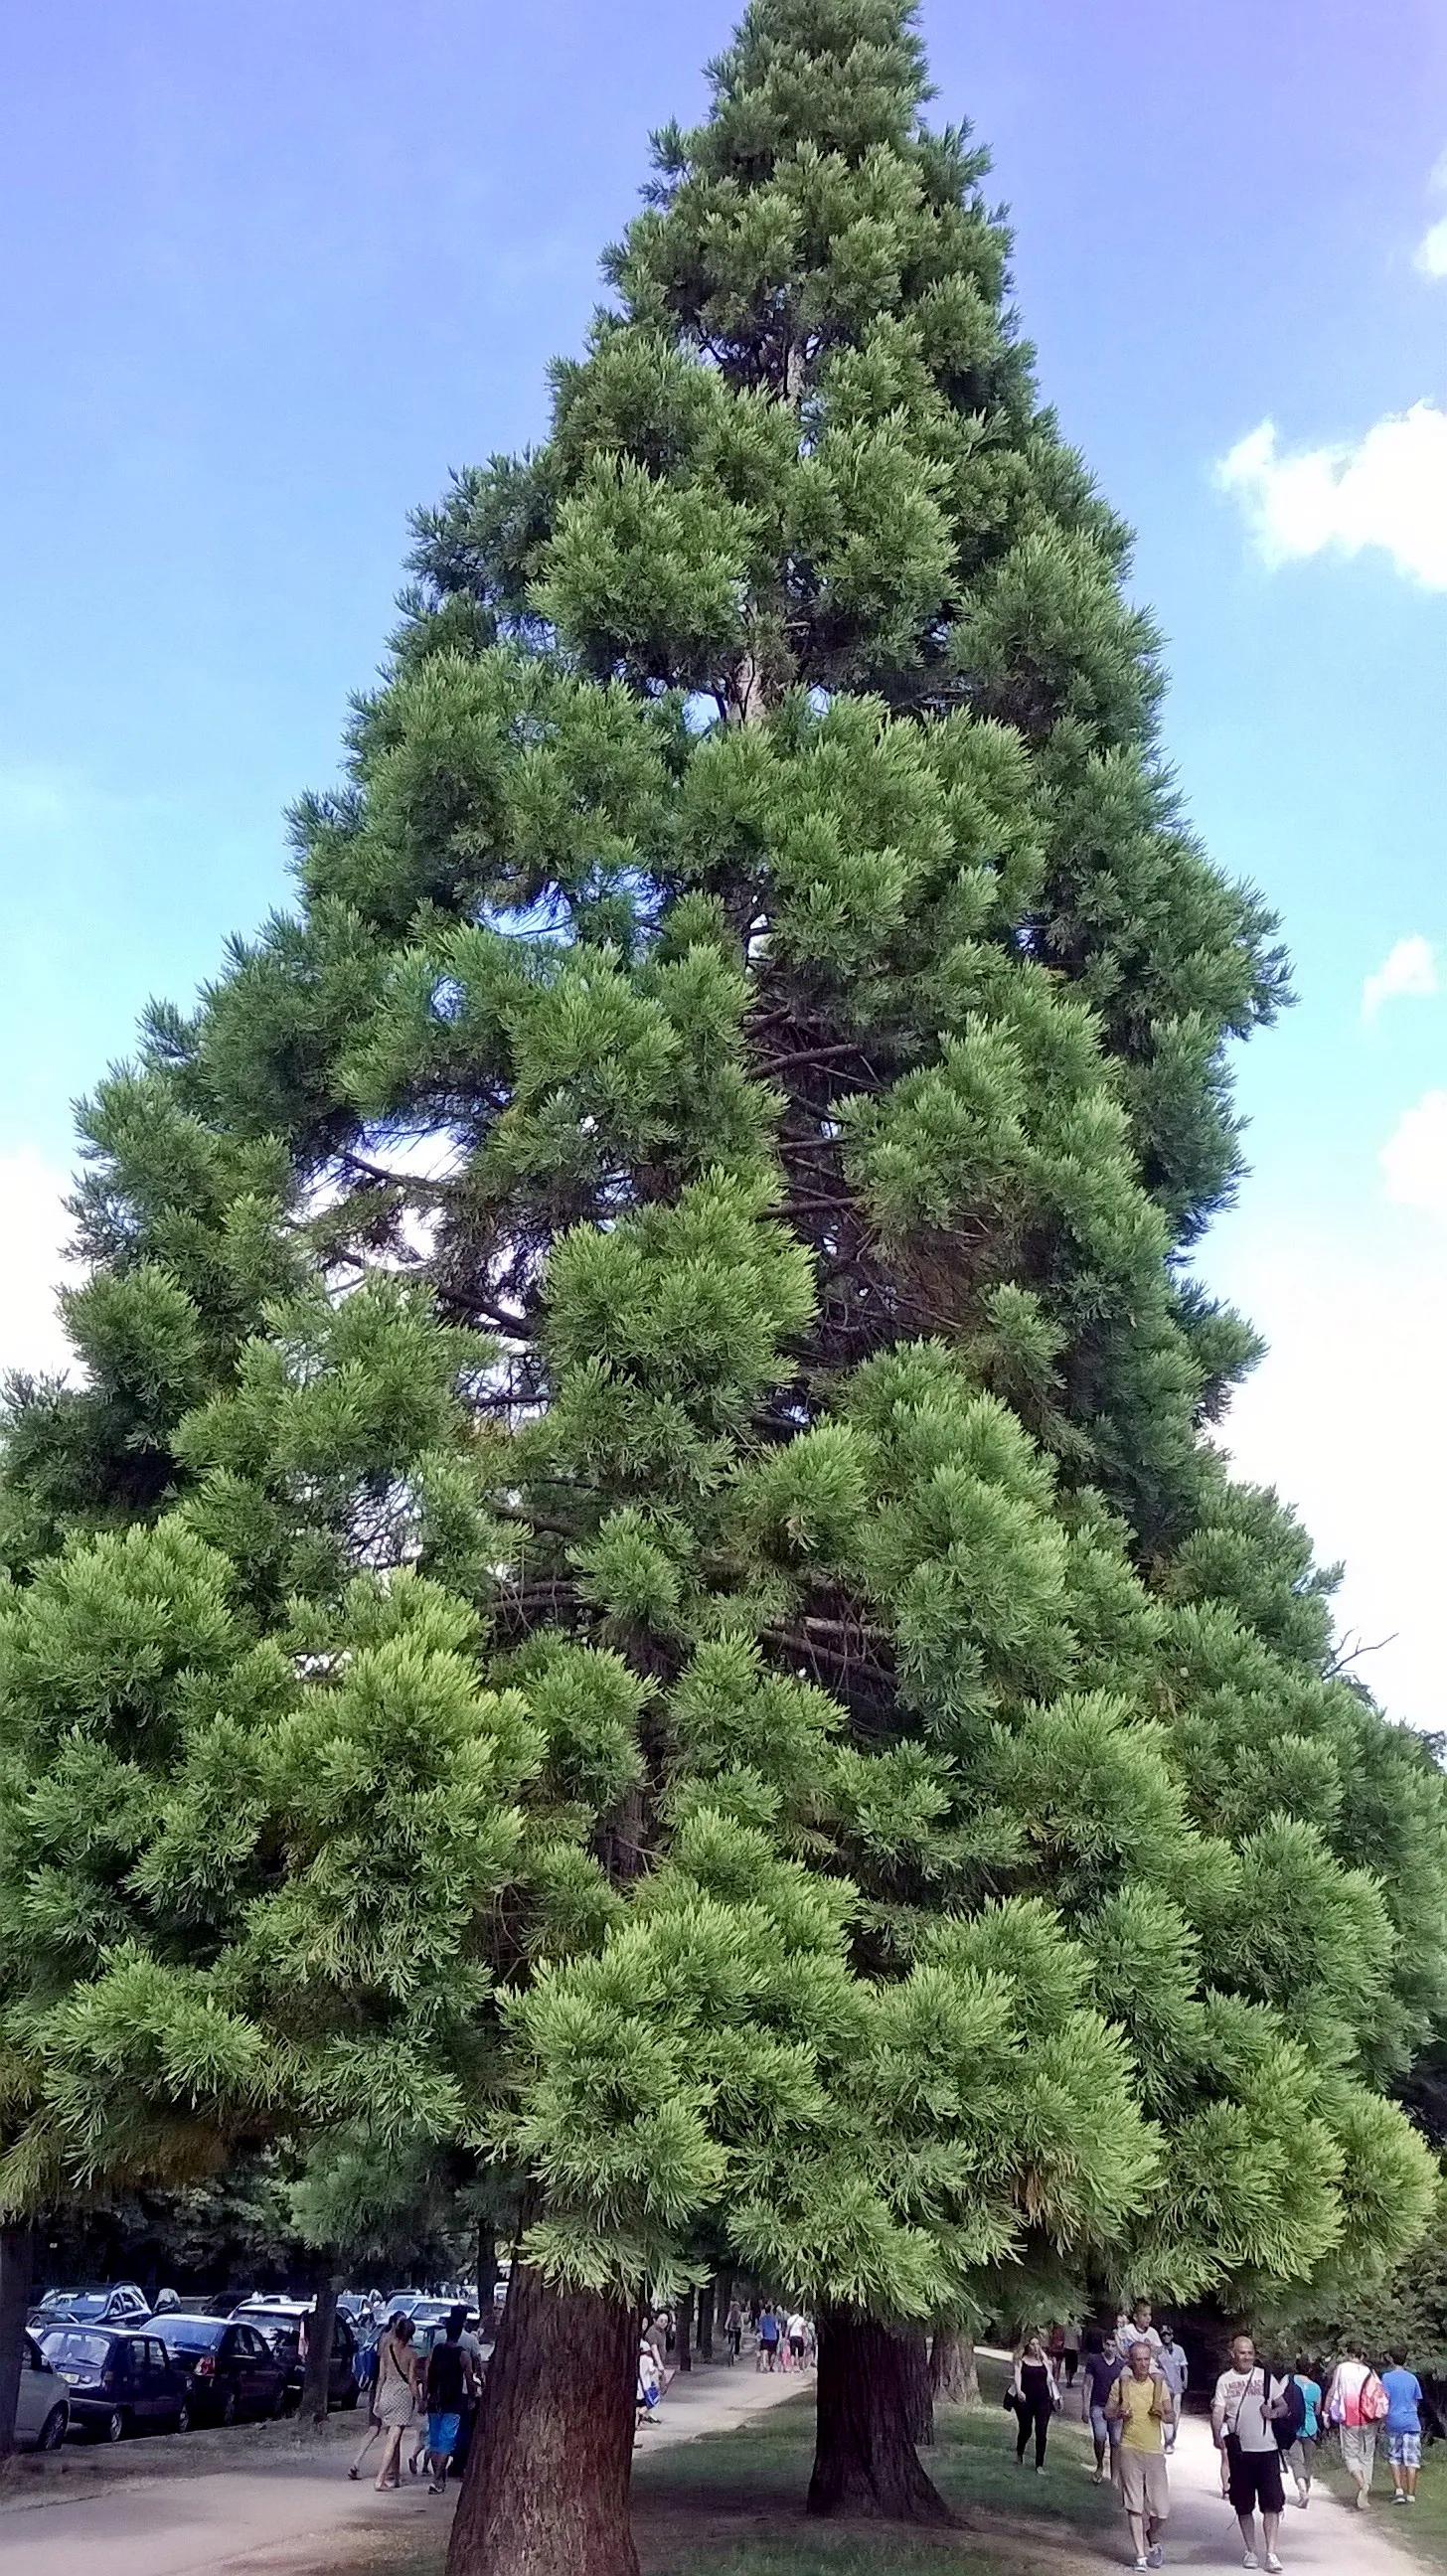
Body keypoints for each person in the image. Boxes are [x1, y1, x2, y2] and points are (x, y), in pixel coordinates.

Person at [1211, 2333, 1287, 2573]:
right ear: (1232, 2354)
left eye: (1250, 2353)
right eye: (1242, 2352)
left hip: (1268, 2449)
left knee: (1272, 2503)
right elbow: (1218, 2411)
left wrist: (1273, 2413)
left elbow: (1283, 2405)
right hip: (1241, 2452)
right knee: (1243, 2504)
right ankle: (1251, 2550)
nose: (1246, 2357)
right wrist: (1217, 2436)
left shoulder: (1266, 2378)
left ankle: (1272, 2553)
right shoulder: (1224, 2381)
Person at [1107, 2338, 1173, 2572]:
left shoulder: (1158, 2385)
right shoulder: (1121, 2384)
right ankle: (1141, 2556)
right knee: (1134, 2506)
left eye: (1147, 2359)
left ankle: (1152, 2537)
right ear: (1131, 2362)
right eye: (1139, 2360)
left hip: (1154, 2450)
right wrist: (1119, 2412)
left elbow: (1172, 2415)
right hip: (1129, 2448)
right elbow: (1108, 2413)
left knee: (1161, 2510)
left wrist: (1163, 2414)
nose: (1143, 2364)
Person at [349, 2313, 419, 2492]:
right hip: (402, 2397)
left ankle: (395, 2477)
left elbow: (381, 2377)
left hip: (387, 2392)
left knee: (395, 2438)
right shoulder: (412, 2354)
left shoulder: (387, 2348)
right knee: (393, 2438)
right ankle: (380, 2479)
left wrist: (377, 2400)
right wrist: (419, 2400)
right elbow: (412, 2381)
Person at [1323, 2337, 1387, 2511]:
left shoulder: (1342, 2369)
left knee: (1350, 2455)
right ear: (1361, 2354)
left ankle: (1362, 2485)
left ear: (1349, 2353)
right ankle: (1365, 2492)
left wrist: (1326, 2412)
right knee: (1367, 2455)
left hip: (1350, 2418)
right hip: (1369, 2419)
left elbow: (1333, 2391)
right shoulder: (1369, 2371)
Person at [421, 2311, 477, 2494]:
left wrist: (424, 2397)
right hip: (453, 2401)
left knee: (436, 2441)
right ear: (460, 2331)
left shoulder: (435, 2350)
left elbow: (426, 2373)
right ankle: (437, 2479)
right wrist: (472, 2397)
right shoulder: (462, 2355)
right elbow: (469, 2378)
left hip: (434, 2400)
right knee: (447, 2441)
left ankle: (438, 2476)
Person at [1008, 2332, 1060, 2474]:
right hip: (1026, 2400)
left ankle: (1039, 2464)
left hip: (1043, 2399)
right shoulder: (1021, 2361)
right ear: (1027, 2346)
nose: (1035, 2347)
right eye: (1032, 2344)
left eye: (1038, 2344)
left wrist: (1056, 2396)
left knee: (1041, 2431)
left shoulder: (1043, 2361)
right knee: (1026, 2429)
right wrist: (1019, 2391)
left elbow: (1051, 2380)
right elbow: (1017, 2377)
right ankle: (1020, 2452)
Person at [1379, 2349, 1424, 2506]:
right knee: (1412, 2459)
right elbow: (1416, 2401)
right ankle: (1411, 2493)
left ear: (1391, 2359)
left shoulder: (1386, 2378)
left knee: (1395, 2457)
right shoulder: (1412, 2379)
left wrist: (1383, 2420)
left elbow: (1384, 2400)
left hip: (1394, 2420)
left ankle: (1398, 2490)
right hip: (1411, 2421)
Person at [1081, 2326, 1119, 2483]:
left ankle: (1115, 2474)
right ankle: (1099, 2465)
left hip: (1116, 2408)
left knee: (1116, 2441)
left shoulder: (1121, 2365)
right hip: (1098, 2405)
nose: (1110, 2348)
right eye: (1108, 2345)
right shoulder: (1094, 2360)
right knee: (1100, 2437)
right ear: (1103, 2345)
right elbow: (1087, 2384)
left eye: (1113, 2345)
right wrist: (1084, 2407)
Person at [1284, 2355, 1321, 2508]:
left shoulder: (1288, 2380)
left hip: (1293, 2426)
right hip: (1310, 2427)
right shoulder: (1315, 2387)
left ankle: (1302, 2491)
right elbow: (1318, 2410)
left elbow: (1279, 2400)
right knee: (1308, 2461)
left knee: (1296, 2460)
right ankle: (1307, 2487)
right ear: (1310, 2369)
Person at [1156, 2325, 1188, 2453]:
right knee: (1165, 2413)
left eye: (1168, 2334)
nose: (1166, 2337)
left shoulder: (1179, 2350)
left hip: (1177, 2386)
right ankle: (1168, 2441)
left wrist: (1185, 2380)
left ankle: (1172, 2437)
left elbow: (1184, 2367)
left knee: (1176, 2414)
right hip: (1164, 2386)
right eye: (1163, 2335)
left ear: (1172, 2336)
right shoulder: (1158, 2351)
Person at [755, 2304, 781, 2371]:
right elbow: (777, 2327)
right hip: (773, 2337)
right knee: (773, 2352)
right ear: (771, 2311)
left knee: (765, 2352)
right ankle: (771, 2367)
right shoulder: (774, 2318)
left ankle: (764, 2367)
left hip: (765, 2337)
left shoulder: (762, 2319)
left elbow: (760, 2328)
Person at [1062, 2317, 1081, 2391]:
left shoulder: (1065, 2326)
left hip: (1068, 2348)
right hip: (1073, 2348)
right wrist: (1080, 2346)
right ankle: (1070, 2380)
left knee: (1069, 2366)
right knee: (1073, 2366)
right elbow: (1080, 2337)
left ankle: (1068, 2380)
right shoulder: (1077, 2326)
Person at [724, 2297, 743, 2363]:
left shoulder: (730, 2313)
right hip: (738, 2329)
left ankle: (730, 2350)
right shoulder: (740, 2313)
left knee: (731, 2340)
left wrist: (726, 2326)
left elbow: (728, 2320)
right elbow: (742, 2322)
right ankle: (736, 2355)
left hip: (731, 2328)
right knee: (737, 2342)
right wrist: (742, 2328)